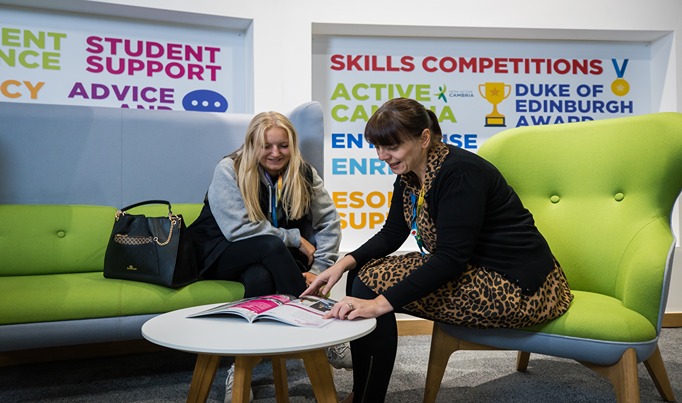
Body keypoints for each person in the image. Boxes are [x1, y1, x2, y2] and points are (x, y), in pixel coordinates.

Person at [301, 97, 573, 402]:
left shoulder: (460, 173)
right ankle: (364, 393)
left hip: (518, 286)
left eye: (391, 147)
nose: (382, 156)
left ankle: (367, 397)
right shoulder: (410, 173)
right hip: (476, 268)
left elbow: (451, 259)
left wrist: (381, 303)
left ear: (424, 138)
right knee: (362, 273)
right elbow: (392, 234)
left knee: (369, 286)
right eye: (378, 147)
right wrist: (340, 264)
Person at [188, 111, 345, 402]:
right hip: (219, 253)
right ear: (252, 144)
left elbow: (329, 222)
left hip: (265, 259)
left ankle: (240, 368)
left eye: (283, 145)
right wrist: (295, 239)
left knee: (260, 276)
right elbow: (237, 230)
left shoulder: (304, 173)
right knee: (270, 246)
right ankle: (322, 337)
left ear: (292, 145)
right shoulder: (229, 169)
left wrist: (322, 268)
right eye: (267, 146)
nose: (276, 153)